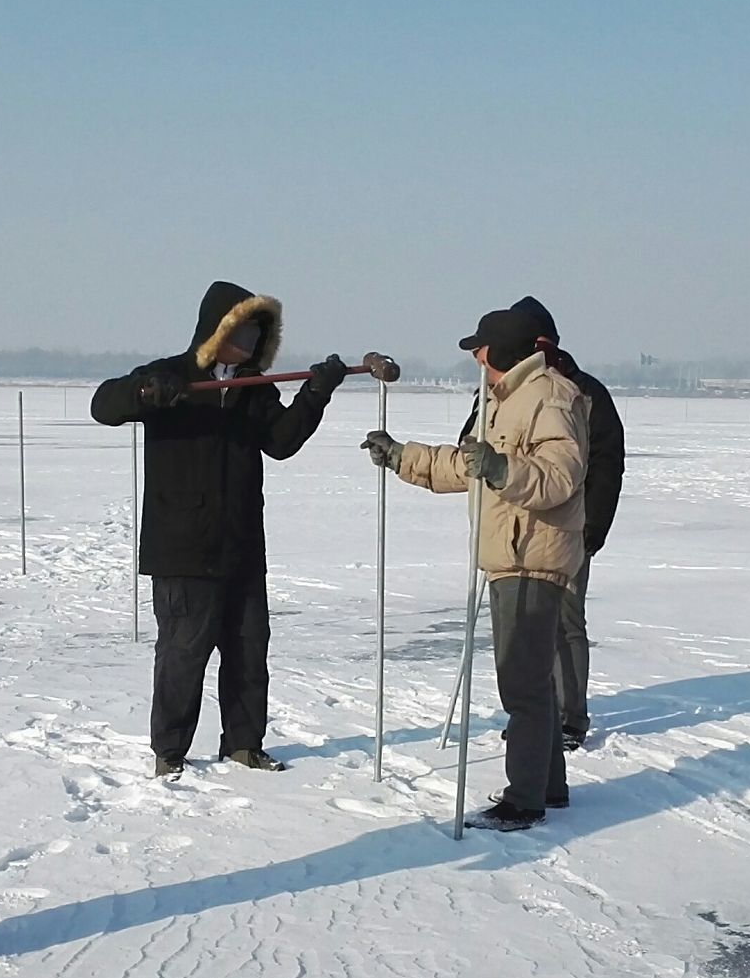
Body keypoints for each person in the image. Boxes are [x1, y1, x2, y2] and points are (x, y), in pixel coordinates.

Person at [92, 281, 348, 776]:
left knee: (249, 651)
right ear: (218, 329)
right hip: (182, 549)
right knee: (183, 655)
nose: (251, 342)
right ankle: (169, 751)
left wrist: (317, 394)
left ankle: (244, 744)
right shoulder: (170, 377)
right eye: (243, 330)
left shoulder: (253, 390)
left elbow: (281, 441)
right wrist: (145, 392)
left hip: (243, 548)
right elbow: (104, 405)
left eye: (258, 334)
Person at [367, 309, 587, 829]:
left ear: (505, 351)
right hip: (510, 553)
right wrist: (402, 457)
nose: (475, 357)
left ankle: (525, 799)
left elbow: (560, 477)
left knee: (522, 683)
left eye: (481, 348)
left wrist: (501, 467)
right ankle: (548, 786)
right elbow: (468, 466)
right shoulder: (504, 400)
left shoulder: (549, 396)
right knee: (529, 679)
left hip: (531, 555)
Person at [503, 296, 624, 750]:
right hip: (513, 529)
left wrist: (593, 529)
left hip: (570, 530)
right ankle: (535, 717)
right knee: (525, 625)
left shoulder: (585, 393)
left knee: (565, 624)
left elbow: (607, 465)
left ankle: (570, 718)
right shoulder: (506, 388)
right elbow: (473, 439)